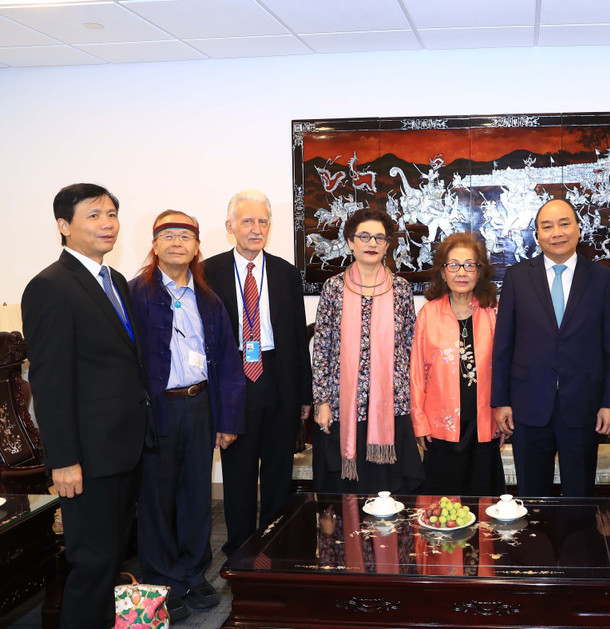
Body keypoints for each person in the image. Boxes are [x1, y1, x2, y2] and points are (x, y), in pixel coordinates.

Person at [21, 183, 149, 628]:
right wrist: (64, 460)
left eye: (111, 213)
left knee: (112, 556)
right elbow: (51, 382)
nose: (107, 223)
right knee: (92, 565)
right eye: (94, 215)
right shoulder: (50, 287)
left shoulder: (112, 280)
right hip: (87, 457)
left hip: (123, 447)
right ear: (63, 226)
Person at [128, 211, 245, 622]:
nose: (177, 242)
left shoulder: (209, 300)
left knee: (196, 497)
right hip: (157, 408)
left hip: (200, 406)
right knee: (157, 500)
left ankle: (194, 575)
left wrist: (228, 420)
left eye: (186, 236)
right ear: (155, 245)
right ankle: (163, 582)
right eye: (168, 235)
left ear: (197, 247)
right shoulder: (135, 296)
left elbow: (230, 364)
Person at [204, 190, 312, 556]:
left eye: (262, 221)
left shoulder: (285, 272)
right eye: (248, 221)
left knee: (278, 467)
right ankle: (240, 546)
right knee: (238, 470)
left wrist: (305, 396)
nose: (256, 229)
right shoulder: (207, 272)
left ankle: (274, 543)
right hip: (233, 377)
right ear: (230, 226)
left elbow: (298, 337)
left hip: (277, 374)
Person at [492, 198, 610, 497]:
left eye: (564, 224)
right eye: (547, 226)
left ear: (578, 229)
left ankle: (578, 545)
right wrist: (501, 400)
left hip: (584, 406)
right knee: (531, 497)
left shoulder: (602, 278)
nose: (557, 233)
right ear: (537, 235)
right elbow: (504, 344)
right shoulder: (517, 276)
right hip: (528, 406)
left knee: (580, 497)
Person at [312, 208, 423, 493]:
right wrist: (321, 401)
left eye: (379, 238)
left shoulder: (401, 289)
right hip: (343, 404)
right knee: (349, 493)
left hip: (392, 405)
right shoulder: (333, 288)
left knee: (391, 489)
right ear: (350, 242)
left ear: (387, 245)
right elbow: (322, 348)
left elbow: (410, 348)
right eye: (364, 236)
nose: (371, 243)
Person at [411, 232, 506, 496]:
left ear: (479, 272)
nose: (461, 272)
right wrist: (419, 421)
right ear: (443, 272)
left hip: (484, 424)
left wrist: (504, 414)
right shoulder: (429, 314)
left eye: (469, 264)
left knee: (485, 512)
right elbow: (417, 374)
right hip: (440, 429)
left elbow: (504, 369)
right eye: (453, 265)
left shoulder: (493, 312)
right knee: (440, 512)